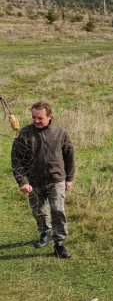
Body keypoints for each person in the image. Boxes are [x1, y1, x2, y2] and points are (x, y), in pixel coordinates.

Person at [11, 101, 75, 259]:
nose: (36, 121)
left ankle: (59, 244)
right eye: (33, 117)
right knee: (39, 211)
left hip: (56, 179)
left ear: (50, 116)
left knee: (58, 211)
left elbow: (69, 157)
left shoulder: (61, 133)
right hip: (33, 181)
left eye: (40, 118)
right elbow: (16, 161)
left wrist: (69, 178)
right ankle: (44, 233)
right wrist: (23, 181)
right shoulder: (24, 134)